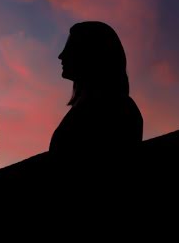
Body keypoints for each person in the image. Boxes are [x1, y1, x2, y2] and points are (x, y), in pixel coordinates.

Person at [49, 21, 142, 157]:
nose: (61, 55)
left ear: (90, 52)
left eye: (70, 47)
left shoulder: (117, 107)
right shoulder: (97, 106)